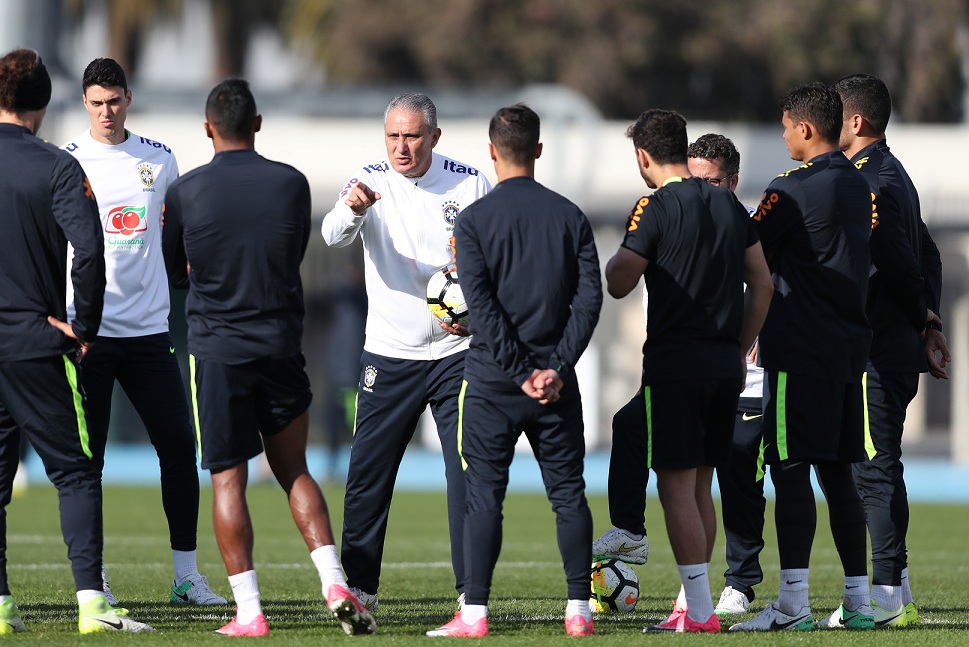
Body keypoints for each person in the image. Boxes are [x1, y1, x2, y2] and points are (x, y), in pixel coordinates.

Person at [161, 78, 375, 637]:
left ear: (208, 128)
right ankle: (333, 579)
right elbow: (288, 254)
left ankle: (250, 612)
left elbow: (173, 269)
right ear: (257, 125)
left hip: (218, 351)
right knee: (294, 469)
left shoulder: (185, 192)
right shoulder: (291, 184)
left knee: (228, 483)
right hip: (280, 347)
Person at [425, 103, 603, 638]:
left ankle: (474, 613)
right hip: (555, 386)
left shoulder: (475, 219)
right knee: (568, 493)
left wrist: (521, 371)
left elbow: (479, 307)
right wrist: (555, 368)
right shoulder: (570, 215)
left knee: (484, 494)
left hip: (492, 382)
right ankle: (579, 610)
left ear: (491, 151)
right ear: (539, 151)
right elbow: (590, 300)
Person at [61, 57, 224, 607]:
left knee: (179, 447)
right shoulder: (66, 162)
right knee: (90, 462)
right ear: (85, 104)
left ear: (129, 98)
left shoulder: (161, 159)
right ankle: (95, 578)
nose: (107, 112)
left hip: (150, 334)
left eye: (115, 101)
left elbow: (179, 236)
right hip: (88, 337)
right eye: (96, 103)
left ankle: (185, 574)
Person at [0, 47, 152, 634]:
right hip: (36, 345)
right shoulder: (58, 167)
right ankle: (93, 605)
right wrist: (83, 328)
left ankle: (3, 609)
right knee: (76, 472)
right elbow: (91, 251)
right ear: (46, 104)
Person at [321, 92, 491, 612]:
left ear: (434, 138)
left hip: (457, 353)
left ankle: (470, 596)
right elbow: (331, 236)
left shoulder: (470, 182)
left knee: (466, 473)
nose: (400, 146)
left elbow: (493, 253)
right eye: (393, 135)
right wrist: (351, 210)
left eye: (411, 136)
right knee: (368, 474)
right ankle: (362, 591)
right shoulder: (369, 179)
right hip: (389, 354)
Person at [605, 109, 772, 634]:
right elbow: (762, 284)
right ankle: (694, 604)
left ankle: (698, 613)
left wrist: (617, 261)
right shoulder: (728, 202)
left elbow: (619, 281)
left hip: (676, 364)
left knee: (676, 486)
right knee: (701, 486)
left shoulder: (654, 206)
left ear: (643, 156)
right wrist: (738, 345)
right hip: (726, 366)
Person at [730, 83, 874, 632]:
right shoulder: (858, 185)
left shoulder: (792, 189)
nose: (784, 134)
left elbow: (748, 249)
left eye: (786, 126)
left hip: (799, 350)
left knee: (789, 470)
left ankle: (792, 605)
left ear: (805, 129)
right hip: (847, 350)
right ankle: (858, 603)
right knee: (839, 474)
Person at [833, 73, 950, 627]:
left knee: (873, 472)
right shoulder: (895, 172)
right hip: (899, 344)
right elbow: (929, 251)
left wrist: (922, 315)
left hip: (876, 349)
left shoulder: (869, 180)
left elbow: (902, 260)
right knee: (887, 469)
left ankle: (882, 599)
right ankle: (898, 590)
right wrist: (929, 320)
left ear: (854, 122)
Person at [687, 134, 767, 616]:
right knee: (685, 479)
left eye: (712, 181)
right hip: (692, 376)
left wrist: (747, 340)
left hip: (748, 380)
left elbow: (769, 288)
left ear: (733, 181)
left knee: (741, 479)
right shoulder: (677, 223)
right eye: (694, 179)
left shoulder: (750, 227)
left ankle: (740, 582)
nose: (702, 190)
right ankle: (684, 580)